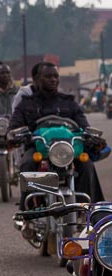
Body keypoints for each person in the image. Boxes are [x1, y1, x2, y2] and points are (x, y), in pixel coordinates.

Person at [11, 62, 104, 201]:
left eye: (55, 76)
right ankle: (28, 210)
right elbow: (13, 127)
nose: (53, 79)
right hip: (39, 148)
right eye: (48, 76)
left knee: (87, 164)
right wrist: (13, 134)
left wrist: (92, 137)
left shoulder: (69, 102)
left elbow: (84, 125)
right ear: (36, 79)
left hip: (69, 149)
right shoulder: (26, 103)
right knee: (27, 163)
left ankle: (87, 209)